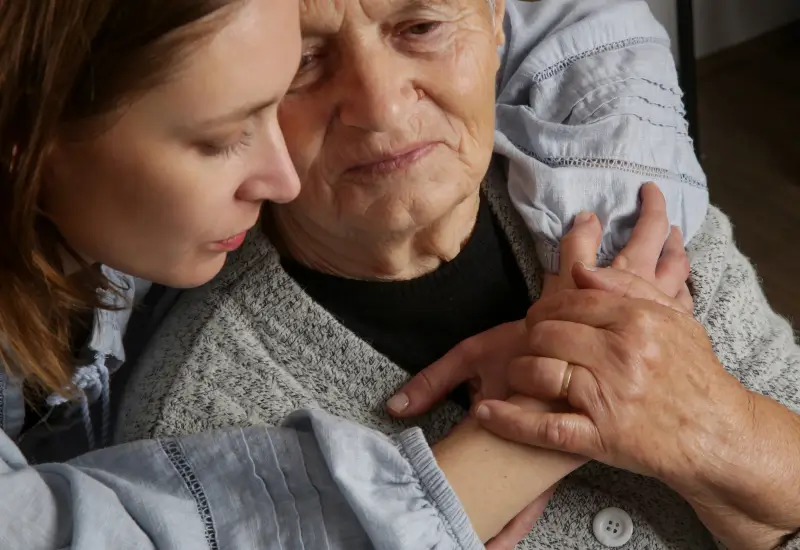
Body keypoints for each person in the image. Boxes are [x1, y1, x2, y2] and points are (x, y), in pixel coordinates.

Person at [117, 0, 792, 549]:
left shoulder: (627, 208)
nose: (379, 106)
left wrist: (716, 426)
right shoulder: (198, 422)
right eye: (304, 61)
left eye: (421, 27)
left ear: (497, 21)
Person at [0, 1, 583, 548]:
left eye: (421, 28)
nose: (281, 182)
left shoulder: (610, 206)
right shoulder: (193, 401)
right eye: (225, 138)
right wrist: (550, 415)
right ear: (23, 143)